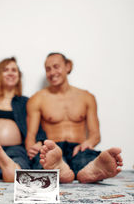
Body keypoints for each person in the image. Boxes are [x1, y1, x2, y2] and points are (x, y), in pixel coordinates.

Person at [25, 52, 123, 183]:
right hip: (54, 149)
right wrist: (32, 148)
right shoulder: (37, 99)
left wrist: (88, 143)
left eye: (56, 66)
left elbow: (95, 135)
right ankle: (60, 167)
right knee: (43, 161)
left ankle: (89, 170)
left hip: (79, 148)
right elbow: (30, 135)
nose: (52, 72)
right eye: (48, 69)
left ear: (68, 66)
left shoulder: (87, 97)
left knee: (86, 158)